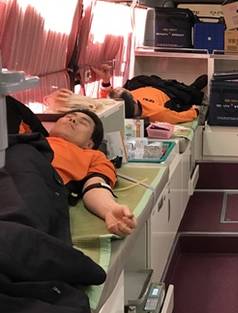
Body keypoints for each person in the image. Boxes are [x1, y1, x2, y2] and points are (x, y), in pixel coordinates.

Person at [11, 97, 136, 237]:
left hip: (32, 186)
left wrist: (109, 209)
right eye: (68, 117)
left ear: (89, 144)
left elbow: (95, 185)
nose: (73, 120)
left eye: (83, 122)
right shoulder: (29, 138)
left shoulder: (93, 156)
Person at [92, 64, 207, 124]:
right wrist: (195, 111)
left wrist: (106, 81)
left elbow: (107, 103)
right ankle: (193, 89)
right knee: (185, 94)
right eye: (119, 90)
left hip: (143, 85)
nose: (117, 89)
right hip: (166, 92)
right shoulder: (157, 113)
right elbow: (178, 117)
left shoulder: (122, 103)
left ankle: (190, 89)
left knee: (140, 80)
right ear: (133, 100)